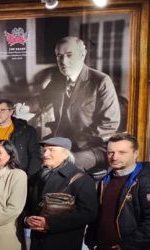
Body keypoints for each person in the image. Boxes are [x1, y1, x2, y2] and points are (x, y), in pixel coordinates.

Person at [34, 36, 121, 172]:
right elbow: (41, 102)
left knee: (63, 166)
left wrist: (73, 143)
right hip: (62, 143)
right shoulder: (58, 81)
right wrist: (20, 107)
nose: (64, 61)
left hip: (94, 147)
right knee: (31, 159)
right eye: (59, 56)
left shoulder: (101, 81)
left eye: (69, 55)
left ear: (82, 54)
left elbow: (109, 124)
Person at [0, 99, 41, 176]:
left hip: (18, 177)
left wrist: (27, 178)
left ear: (11, 112)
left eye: (2, 110)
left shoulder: (27, 131)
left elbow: (35, 157)